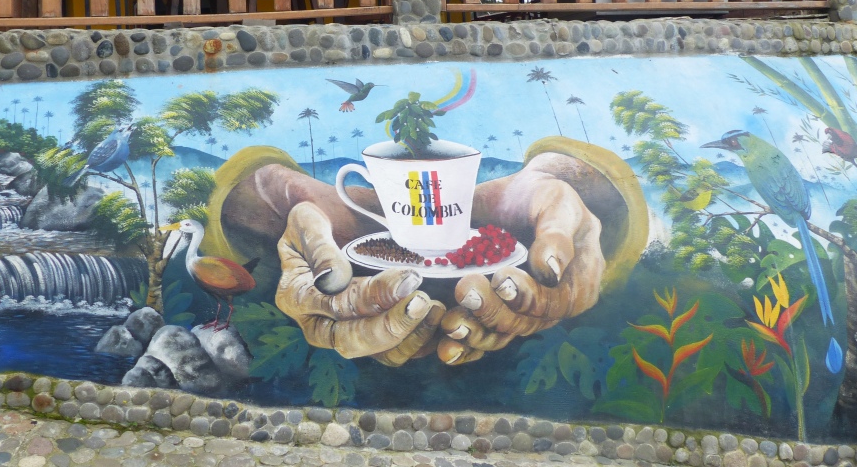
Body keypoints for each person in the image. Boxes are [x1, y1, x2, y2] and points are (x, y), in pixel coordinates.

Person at [192, 136, 648, 367]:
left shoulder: (500, 244)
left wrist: (564, 184)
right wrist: (264, 197)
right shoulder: (364, 242)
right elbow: (258, 208)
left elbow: (570, 202)